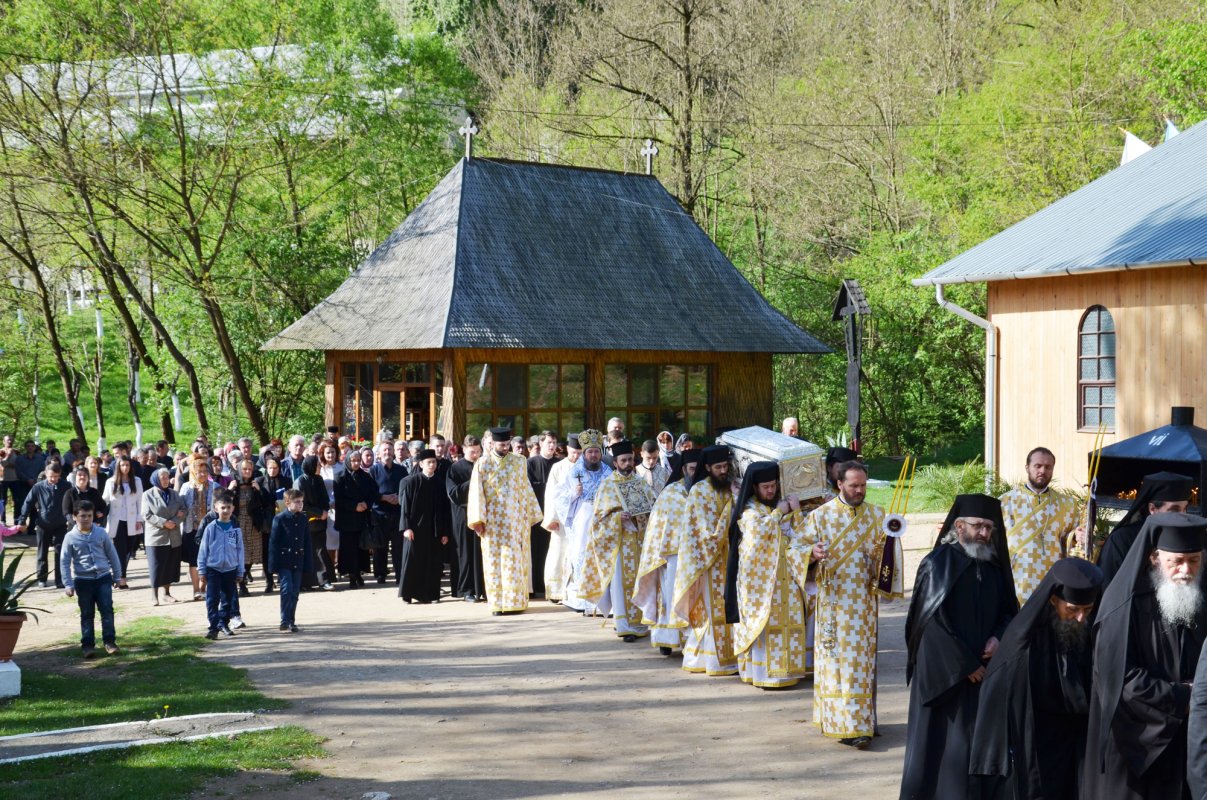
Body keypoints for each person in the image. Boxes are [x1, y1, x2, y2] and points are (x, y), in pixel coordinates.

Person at [1082, 512, 1207, 800]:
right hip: (1134, 747)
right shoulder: (1122, 607)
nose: (1185, 570)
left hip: (1183, 744)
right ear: (1154, 557)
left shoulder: (1199, 601)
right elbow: (1120, 679)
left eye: (1194, 561)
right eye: (1175, 561)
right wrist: (1183, 697)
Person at [900, 494, 1017, 795]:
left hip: (985, 675)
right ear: (959, 526)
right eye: (977, 526)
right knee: (943, 752)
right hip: (946, 681)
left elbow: (1009, 612)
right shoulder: (937, 564)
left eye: (989, 528)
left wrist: (999, 638)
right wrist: (965, 665)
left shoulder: (994, 566)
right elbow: (929, 624)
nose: (984, 533)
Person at [969, 558, 1103, 799]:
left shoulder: (1090, 632)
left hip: (1077, 744)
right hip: (1035, 746)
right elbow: (999, 695)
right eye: (1073, 609)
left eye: (1088, 610)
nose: (1081, 618)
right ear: (1053, 599)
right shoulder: (1024, 640)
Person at [798, 460, 904, 746]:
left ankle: (860, 724)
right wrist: (811, 553)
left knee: (860, 664)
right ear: (839, 485)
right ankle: (838, 721)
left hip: (864, 605)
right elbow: (794, 549)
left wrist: (888, 552)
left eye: (863, 485)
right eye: (854, 485)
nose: (860, 490)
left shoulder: (878, 516)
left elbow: (889, 559)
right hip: (833, 603)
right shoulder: (820, 516)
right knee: (834, 664)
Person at [724, 461, 811, 689]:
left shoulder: (779, 507)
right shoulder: (749, 511)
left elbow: (802, 536)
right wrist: (778, 514)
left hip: (787, 578)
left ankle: (788, 671)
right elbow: (756, 537)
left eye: (773, 486)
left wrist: (796, 512)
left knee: (788, 622)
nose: (770, 491)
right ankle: (763, 674)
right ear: (754, 488)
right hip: (761, 584)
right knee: (764, 626)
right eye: (765, 487)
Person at [674, 444, 739, 676]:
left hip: (732, 558)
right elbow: (706, 534)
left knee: (731, 607)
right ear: (708, 467)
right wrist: (734, 503)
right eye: (718, 467)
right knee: (713, 611)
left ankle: (733, 657)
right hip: (709, 563)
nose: (723, 471)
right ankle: (709, 659)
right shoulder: (699, 492)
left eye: (726, 466)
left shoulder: (730, 488)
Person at [578, 441, 654, 642]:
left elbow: (652, 507)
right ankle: (625, 626)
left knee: (640, 582)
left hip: (639, 542)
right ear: (616, 462)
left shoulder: (640, 483)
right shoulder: (608, 485)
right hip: (619, 544)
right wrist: (616, 518)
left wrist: (644, 514)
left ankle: (640, 623)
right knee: (621, 585)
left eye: (630, 459)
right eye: (624, 460)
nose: (628, 463)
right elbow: (598, 520)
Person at [634, 448, 704, 655]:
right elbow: (659, 528)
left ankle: (692, 641)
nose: (695, 473)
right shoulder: (671, 493)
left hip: (699, 556)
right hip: (672, 557)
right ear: (683, 469)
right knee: (669, 595)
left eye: (699, 470)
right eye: (692, 469)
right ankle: (667, 639)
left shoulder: (706, 492)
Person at [467, 427, 542, 616]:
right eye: (502, 445)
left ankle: (515, 602)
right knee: (494, 561)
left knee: (514, 560)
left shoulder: (519, 461)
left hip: (515, 520)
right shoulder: (482, 463)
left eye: (508, 444)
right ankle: (497, 603)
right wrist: (478, 519)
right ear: (492, 444)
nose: (505, 448)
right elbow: (476, 492)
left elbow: (525, 487)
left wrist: (530, 514)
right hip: (492, 521)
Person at [999, 447, 1082, 604]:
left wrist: (1077, 537)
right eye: (1037, 466)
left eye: (1048, 467)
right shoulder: (1005, 502)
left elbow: (1072, 543)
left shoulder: (1067, 504)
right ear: (1027, 467)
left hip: (1053, 579)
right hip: (1017, 578)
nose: (1042, 471)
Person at [1096, 471, 1193, 587]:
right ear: (1152, 509)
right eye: (1174, 510)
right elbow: (1109, 590)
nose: (1182, 516)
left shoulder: (1191, 538)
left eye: (1185, 509)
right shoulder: (1121, 540)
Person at [556, 430, 613, 613]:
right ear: (585, 453)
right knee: (581, 558)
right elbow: (558, 497)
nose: (594, 455)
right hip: (582, 520)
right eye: (590, 452)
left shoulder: (608, 471)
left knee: (602, 559)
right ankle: (583, 601)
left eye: (597, 451)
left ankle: (602, 601)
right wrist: (573, 494)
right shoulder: (574, 472)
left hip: (603, 520)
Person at [60, 500, 123, 657]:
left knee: (107, 610)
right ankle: (88, 645)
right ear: (75, 517)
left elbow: (112, 554)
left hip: (103, 578)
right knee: (87, 613)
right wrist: (68, 584)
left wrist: (117, 576)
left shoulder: (101, 533)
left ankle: (109, 642)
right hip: (83, 580)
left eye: (89, 515)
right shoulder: (70, 537)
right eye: (82, 516)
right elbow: (64, 562)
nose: (86, 519)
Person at [398, 449, 451, 604]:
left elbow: (445, 510)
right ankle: (408, 594)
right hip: (414, 530)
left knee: (432, 563)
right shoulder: (412, 482)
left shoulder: (440, 483)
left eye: (434, 462)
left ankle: (432, 594)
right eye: (429, 462)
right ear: (421, 464)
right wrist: (406, 528)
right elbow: (405, 507)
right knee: (412, 561)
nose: (432, 465)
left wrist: (445, 532)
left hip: (434, 530)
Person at [197, 490, 244, 639]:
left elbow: (240, 551)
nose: (225, 511)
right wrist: (202, 570)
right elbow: (203, 549)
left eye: (228, 508)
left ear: (232, 509)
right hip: (213, 569)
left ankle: (223, 623)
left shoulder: (235, 530)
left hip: (230, 569)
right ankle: (213, 627)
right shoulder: (210, 528)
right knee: (212, 599)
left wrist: (240, 571)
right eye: (222, 508)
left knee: (228, 599)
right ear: (216, 508)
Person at [541, 434, 582, 604]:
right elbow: (551, 494)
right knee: (558, 552)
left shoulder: (589, 468)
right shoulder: (558, 468)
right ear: (567, 450)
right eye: (574, 453)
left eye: (580, 453)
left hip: (581, 519)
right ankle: (556, 591)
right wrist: (552, 518)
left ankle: (577, 590)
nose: (576, 457)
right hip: (562, 521)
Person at [16, 461, 71, 588]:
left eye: (56, 477)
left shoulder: (66, 486)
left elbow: (73, 500)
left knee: (60, 552)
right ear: (46, 474)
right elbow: (28, 503)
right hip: (43, 524)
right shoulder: (38, 487)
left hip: (60, 524)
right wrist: (22, 519)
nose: (53, 479)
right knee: (42, 552)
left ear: (60, 475)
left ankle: (60, 580)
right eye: (51, 476)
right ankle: (42, 578)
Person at [269, 488, 312, 633]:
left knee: (294, 592)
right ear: (287, 502)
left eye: (302, 502)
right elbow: (273, 543)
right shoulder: (279, 519)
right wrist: (273, 566)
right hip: (284, 560)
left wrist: (308, 563)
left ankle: (291, 620)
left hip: (298, 559)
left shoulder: (303, 519)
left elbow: (307, 542)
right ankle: (284, 620)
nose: (300, 504)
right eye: (297, 502)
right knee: (286, 589)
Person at [448, 435, 485, 602]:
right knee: (465, 553)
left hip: (483, 516)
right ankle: (466, 590)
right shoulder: (455, 469)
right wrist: (473, 481)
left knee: (482, 552)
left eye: (478, 451)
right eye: (472, 452)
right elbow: (453, 493)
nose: (476, 455)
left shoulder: (484, 466)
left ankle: (483, 588)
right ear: (464, 450)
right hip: (463, 517)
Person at [142, 467, 186, 606]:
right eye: (163, 478)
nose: (166, 480)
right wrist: (163, 523)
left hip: (173, 535)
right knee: (156, 566)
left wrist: (175, 522)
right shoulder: (147, 494)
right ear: (156, 479)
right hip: (156, 537)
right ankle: (154, 595)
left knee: (170, 565)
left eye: (167, 477)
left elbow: (183, 510)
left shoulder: (175, 494)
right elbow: (147, 515)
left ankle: (166, 593)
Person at [333, 449, 377, 589]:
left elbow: (373, 493)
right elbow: (339, 499)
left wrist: (366, 504)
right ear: (347, 461)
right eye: (353, 460)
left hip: (362, 518)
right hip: (347, 519)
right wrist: (354, 506)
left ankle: (359, 573)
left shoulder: (365, 476)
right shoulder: (339, 477)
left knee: (361, 549)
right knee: (348, 549)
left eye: (358, 460)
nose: (356, 463)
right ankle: (351, 575)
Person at [527, 430, 561, 599]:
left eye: (554, 442)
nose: (552, 445)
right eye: (548, 442)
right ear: (540, 444)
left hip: (555, 516)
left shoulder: (560, 464)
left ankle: (553, 588)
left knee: (553, 551)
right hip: (536, 514)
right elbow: (528, 487)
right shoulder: (531, 463)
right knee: (536, 550)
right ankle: (536, 586)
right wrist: (547, 487)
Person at [295, 454, 335, 591]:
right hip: (306, 522)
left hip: (320, 522)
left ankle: (324, 580)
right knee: (306, 552)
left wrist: (324, 511)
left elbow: (325, 498)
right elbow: (301, 504)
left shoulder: (319, 479)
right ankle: (305, 582)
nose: (320, 467)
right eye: (318, 464)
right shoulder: (300, 481)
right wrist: (318, 513)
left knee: (321, 551)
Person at [369, 441, 407, 585]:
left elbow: (406, 489)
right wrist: (383, 497)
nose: (387, 453)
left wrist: (398, 498)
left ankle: (400, 574)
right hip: (380, 514)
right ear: (378, 454)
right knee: (380, 547)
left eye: (390, 450)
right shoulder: (374, 470)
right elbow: (370, 492)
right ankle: (380, 574)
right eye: (384, 450)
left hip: (397, 513)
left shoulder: (401, 470)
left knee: (398, 547)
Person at [180, 456, 216, 601]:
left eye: (204, 471)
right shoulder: (186, 487)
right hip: (191, 528)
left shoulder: (215, 487)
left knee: (208, 559)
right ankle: (196, 590)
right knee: (194, 561)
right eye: (199, 471)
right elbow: (181, 505)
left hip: (210, 529)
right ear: (193, 472)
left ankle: (204, 587)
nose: (202, 474)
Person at [103, 456, 144, 581]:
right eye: (122, 465)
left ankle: (118, 574)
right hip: (117, 520)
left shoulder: (136, 481)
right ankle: (121, 578)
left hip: (132, 520)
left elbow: (140, 501)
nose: (125, 468)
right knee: (120, 549)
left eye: (127, 465)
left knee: (128, 550)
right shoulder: (111, 482)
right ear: (118, 467)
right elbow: (105, 499)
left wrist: (139, 519)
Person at [255, 457, 290, 593]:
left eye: (275, 468)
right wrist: (261, 491)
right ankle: (269, 580)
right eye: (270, 468)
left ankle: (282, 578)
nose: (272, 470)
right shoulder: (260, 481)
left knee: (282, 549)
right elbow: (261, 501)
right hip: (266, 520)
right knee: (267, 551)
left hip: (282, 518)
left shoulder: (286, 481)